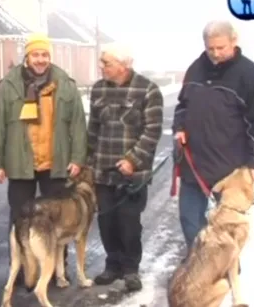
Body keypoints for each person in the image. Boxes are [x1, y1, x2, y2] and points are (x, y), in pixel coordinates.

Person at [0, 33, 87, 283]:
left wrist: (77, 158)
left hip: (56, 162)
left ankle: (56, 269)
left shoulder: (65, 85)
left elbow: (77, 125)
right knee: (20, 218)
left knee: (59, 218)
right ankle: (23, 268)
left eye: (45, 55)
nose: (41, 60)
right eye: (36, 54)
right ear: (27, 57)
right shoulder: (9, 85)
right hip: (21, 163)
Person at [172, 20, 254, 249]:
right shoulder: (195, 69)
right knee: (190, 223)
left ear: (234, 42)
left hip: (231, 170)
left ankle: (227, 274)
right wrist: (180, 128)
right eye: (210, 48)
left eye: (221, 48)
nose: (215, 54)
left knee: (227, 232)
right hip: (194, 164)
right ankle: (199, 271)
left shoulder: (251, 75)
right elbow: (182, 107)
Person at [87, 44, 163, 291]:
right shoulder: (98, 90)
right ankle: (113, 266)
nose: (102, 67)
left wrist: (132, 160)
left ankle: (131, 269)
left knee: (129, 223)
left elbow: (151, 132)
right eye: (102, 62)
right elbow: (93, 129)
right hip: (103, 170)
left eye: (106, 63)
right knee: (107, 222)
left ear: (124, 65)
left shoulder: (148, 90)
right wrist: (87, 161)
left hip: (133, 174)